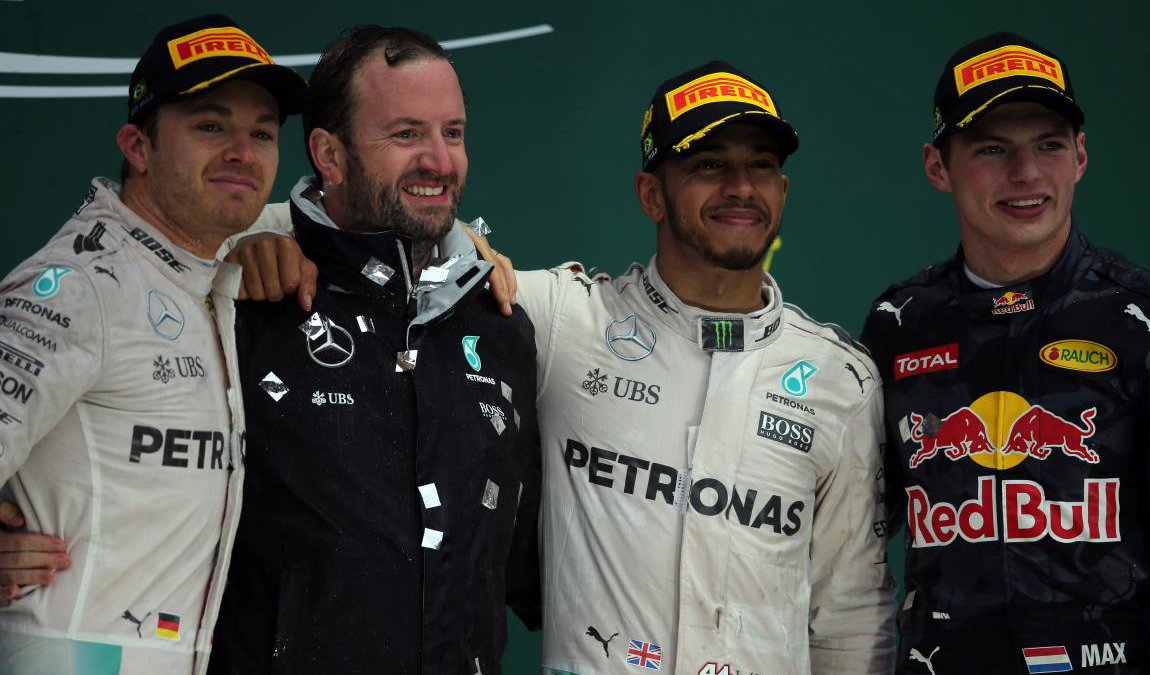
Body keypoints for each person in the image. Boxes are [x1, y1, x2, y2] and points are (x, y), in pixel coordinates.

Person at [230, 59, 895, 674]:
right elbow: (386, 245)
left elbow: (850, 616)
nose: (740, 187)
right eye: (709, 164)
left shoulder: (840, 378)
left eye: (761, 166)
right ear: (650, 194)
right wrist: (263, 235)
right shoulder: (560, 317)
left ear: (784, 188)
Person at [204, 26, 541, 675]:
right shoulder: (243, 304)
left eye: (453, 133)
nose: (439, 161)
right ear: (329, 155)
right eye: (407, 134)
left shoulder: (503, 326)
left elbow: (524, 564)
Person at [860, 32, 1150, 674]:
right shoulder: (899, 326)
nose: (1026, 173)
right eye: (993, 149)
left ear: (1080, 157)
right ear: (938, 167)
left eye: (1048, 145)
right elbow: (848, 546)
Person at [0, 13, 306, 675]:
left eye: (262, 133)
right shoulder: (78, 286)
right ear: (138, 147)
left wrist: (464, 244)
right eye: (210, 126)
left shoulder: (200, 274)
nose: (242, 152)